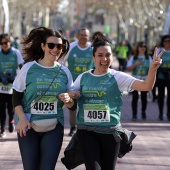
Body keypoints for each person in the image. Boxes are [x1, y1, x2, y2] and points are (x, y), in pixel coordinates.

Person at [70, 34, 163, 170]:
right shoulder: (83, 77)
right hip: (86, 131)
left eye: (108, 55)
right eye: (100, 55)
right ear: (93, 57)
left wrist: (152, 69)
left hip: (110, 133)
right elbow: (70, 97)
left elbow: (146, 86)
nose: (104, 59)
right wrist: (69, 96)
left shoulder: (117, 77)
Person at [12, 27, 77, 170]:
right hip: (28, 125)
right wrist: (21, 118)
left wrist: (68, 100)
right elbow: (16, 96)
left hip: (53, 125)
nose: (55, 49)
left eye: (59, 46)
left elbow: (73, 106)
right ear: (43, 46)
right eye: (51, 45)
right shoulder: (29, 68)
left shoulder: (64, 72)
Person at [61, 27, 93, 136]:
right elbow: (62, 62)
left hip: (88, 84)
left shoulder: (92, 49)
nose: (84, 37)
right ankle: (73, 127)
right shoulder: (71, 47)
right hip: (73, 84)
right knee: (73, 107)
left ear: (89, 37)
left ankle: (86, 128)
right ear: (77, 36)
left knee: (87, 106)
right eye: (82, 35)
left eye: (86, 35)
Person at [0, 33, 24, 138]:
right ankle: (2, 128)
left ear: (10, 42)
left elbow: (22, 68)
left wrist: (18, 79)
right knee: (1, 108)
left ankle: (11, 120)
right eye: (1, 43)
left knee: (11, 107)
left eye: (5, 42)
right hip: (0, 84)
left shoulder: (16, 53)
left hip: (12, 85)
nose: (3, 45)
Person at [126, 41, 152, 120]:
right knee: (135, 97)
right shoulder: (133, 57)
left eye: (144, 46)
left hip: (144, 80)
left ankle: (143, 112)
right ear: (138, 48)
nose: (143, 48)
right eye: (141, 46)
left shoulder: (148, 58)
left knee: (144, 97)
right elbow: (128, 68)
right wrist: (135, 64)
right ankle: (134, 114)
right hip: (135, 80)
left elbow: (152, 69)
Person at [156, 35, 170, 120]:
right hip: (160, 76)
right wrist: (161, 70)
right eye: (165, 41)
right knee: (160, 96)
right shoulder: (159, 51)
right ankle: (160, 113)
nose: (167, 43)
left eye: (169, 41)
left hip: (169, 76)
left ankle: (168, 113)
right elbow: (154, 62)